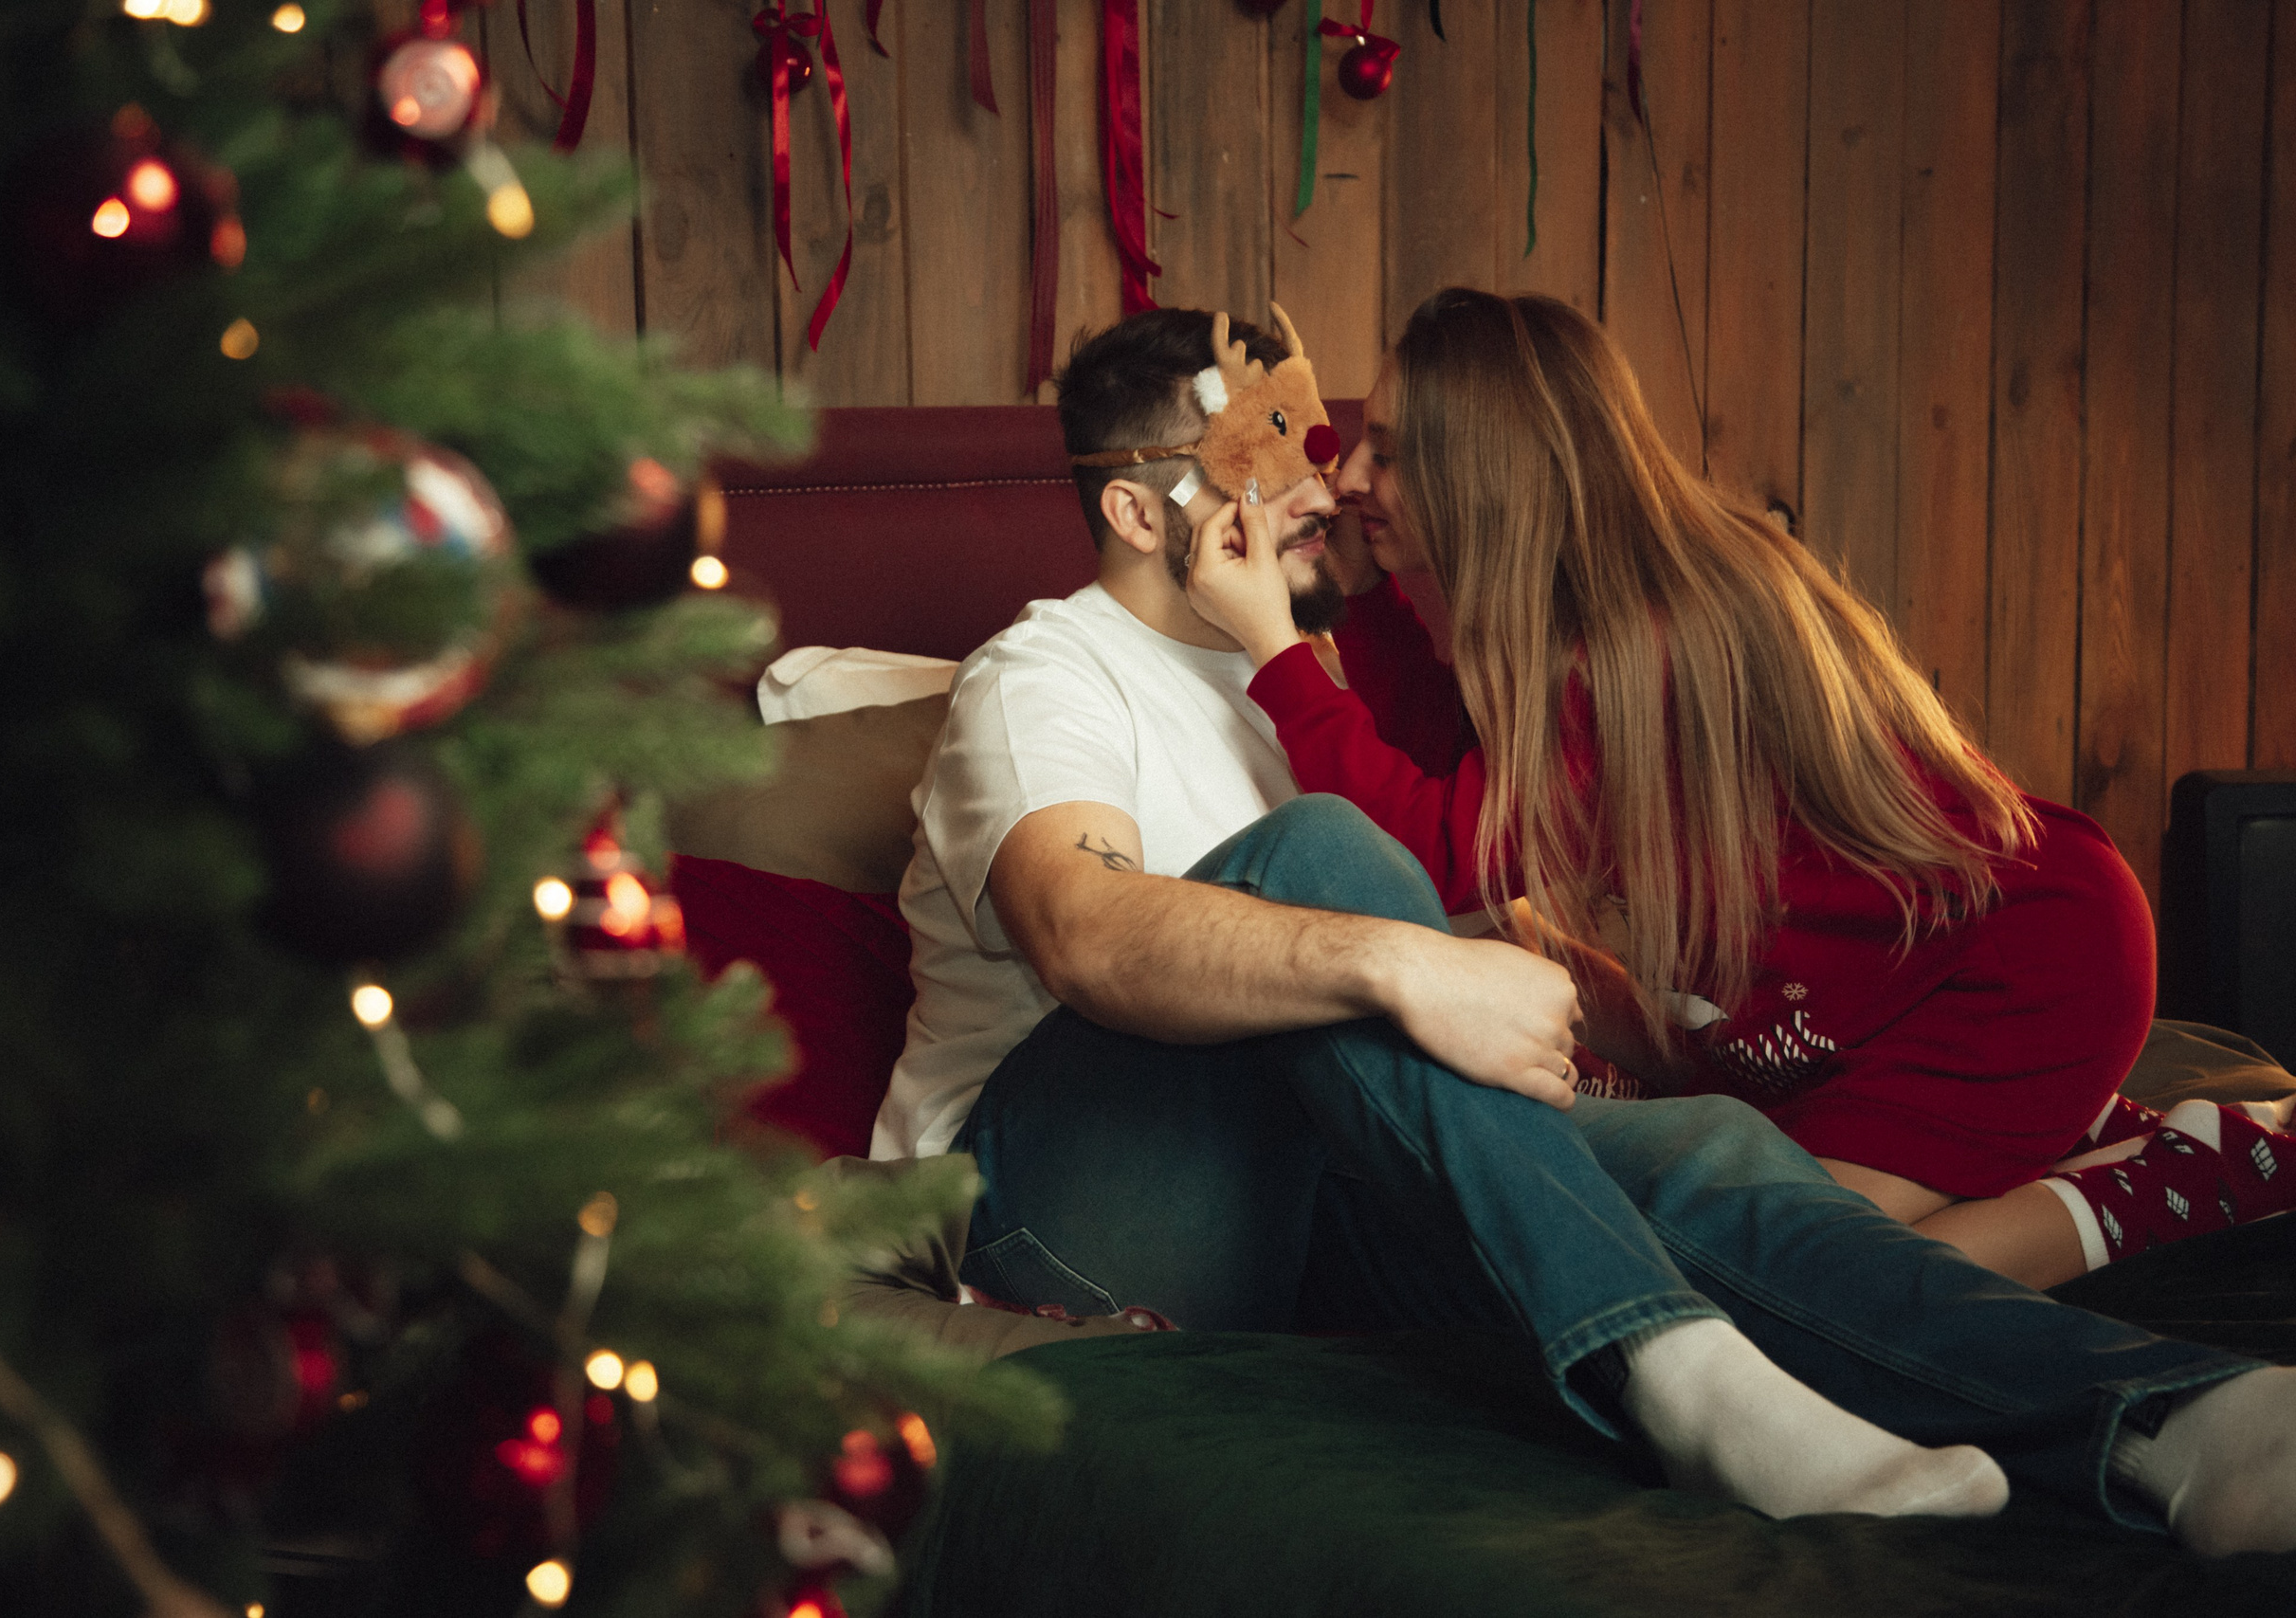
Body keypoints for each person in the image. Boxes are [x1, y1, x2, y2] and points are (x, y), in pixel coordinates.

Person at [870, 304, 2296, 1554]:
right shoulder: (1045, 670)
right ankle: (1673, 1367)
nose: (1321, 479)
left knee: (1700, 1152)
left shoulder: (1319, 678)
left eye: (1318, 437)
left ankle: (2174, 1421)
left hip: (1304, 1203)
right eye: (1262, 448)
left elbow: (1460, 818)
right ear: (1139, 509)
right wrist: (1400, 954)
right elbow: (1086, 934)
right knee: (1322, 853)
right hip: (1058, 1209)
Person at [1186, 287, 2296, 1294]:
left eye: (1385, 450)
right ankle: (2066, 1126)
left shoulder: (1633, 644)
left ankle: (2211, 1169)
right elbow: (1419, 754)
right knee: (1746, 1193)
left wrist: (1274, 647)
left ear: (1482, 471)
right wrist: (1315, 497)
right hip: (1845, 997)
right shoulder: (1528, 616)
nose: (1348, 478)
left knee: (1821, 1273)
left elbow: (1436, 846)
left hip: (2021, 960)